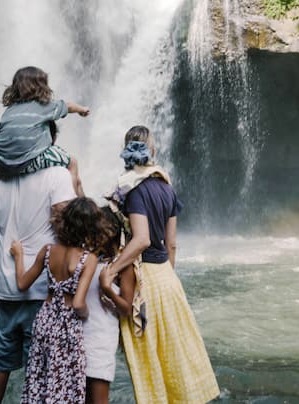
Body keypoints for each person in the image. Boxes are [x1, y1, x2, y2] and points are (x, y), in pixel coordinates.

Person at [100, 125, 220, 404]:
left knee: (148, 361)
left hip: (145, 280)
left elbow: (141, 240)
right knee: (174, 358)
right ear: (152, 150)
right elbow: (172, 244)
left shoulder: (133, 190)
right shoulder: (167, 187)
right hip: (167, 278)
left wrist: (111, 270)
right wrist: (169, 279)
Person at [0, 165, 76, 404]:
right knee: (42, 368)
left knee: (0, 362)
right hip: (43, 289)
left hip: (6, 287)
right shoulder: (58, 175)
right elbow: (73, 227)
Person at [9, 197, 106, 403]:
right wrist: (88, 316)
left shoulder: (48, 251)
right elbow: (79, 303)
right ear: (91, 227)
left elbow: (22, 284)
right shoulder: (88, 259)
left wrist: (18, 255)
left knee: (40, 377)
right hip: (68, 326)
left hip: (45, 320)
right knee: (66, 382)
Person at [0, 66, 89, 196]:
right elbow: (68, 106)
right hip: (28, 162)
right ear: (41, 86)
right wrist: (82, 109)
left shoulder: (8, 111)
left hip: (1, 164)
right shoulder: (43, 106)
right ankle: (74, 207)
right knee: (73, 162)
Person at [84, 207, 136, 404]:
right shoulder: (88, 259)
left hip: (101, 339)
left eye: (96, 230)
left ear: (111, 232)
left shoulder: (123, 265)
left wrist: (107, 289)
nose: (91, 234)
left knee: (98, 398)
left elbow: (127, 309)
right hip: (78, 336)